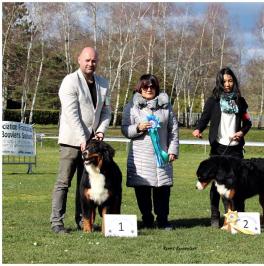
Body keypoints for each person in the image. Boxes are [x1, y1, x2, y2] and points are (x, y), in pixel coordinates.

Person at [50, 47, 111, 233]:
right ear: (79, 60)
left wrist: (100, 132)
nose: (90, 64)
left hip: (92, 144)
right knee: (63, 182)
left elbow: (107, 110)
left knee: (84, 185)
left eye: (93, 61)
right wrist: (83, 138)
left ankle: (82, 220)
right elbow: (71, 114)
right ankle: (57, 222)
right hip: (71, 141)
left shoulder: (103, 83)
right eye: (87, 60)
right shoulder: (69, 81)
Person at [192, 67, 252, 227]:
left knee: (237, 183)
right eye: (224, 81)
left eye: (230, 80)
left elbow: (248, 122)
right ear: (219, 82)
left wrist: (241, 132)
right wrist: (198, 129)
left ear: (234, 82)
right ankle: (214, 215)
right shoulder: (213, 101)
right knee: (216, 183)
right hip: (218, 148)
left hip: (235, 149)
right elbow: (204, 118)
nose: (227, 84)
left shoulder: (241, 101)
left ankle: (238, 216)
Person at [121, 74, 179, 230]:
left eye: (152, 86)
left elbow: (173, 130)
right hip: (141, 157)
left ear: (156, 88)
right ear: (140, 88)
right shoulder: (131, 107)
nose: (149, 89)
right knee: (142, 191)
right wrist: (138, 128)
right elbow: (125, 129)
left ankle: (163, 220)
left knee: (163, 190)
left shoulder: (167, 107)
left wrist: (173, 150)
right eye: (145, 86)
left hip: (162, 156)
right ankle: (147, 219)